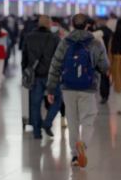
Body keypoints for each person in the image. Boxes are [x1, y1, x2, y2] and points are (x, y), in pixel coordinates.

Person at [46, 14, 110, 168]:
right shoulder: (96, 43)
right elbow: (104, 66)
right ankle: (84, 143)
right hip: (88, 87)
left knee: (72, 121)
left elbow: (54, 66)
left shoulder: (64, 43)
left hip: (67, 87)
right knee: (88, 119)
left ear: (72, 26)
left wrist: (50, 89)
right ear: (87, 26)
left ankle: (75, 156)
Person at [23, 15, 62, 139]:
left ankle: (36, 132)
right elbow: (60, 57)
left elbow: (25, 56)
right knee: (57, 99)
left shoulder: (29, 37)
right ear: (49, 24)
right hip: (51, 75)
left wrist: (25, 71)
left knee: (35, 104)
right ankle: (47, 121)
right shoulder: (54, 38)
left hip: (35, 75)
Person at [93, 18, 114, 104]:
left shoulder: (100, 32)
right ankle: (105, 95)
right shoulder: (110, 31)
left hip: (99, 57)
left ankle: (102, 94)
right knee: (105, 77)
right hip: (107, 56)